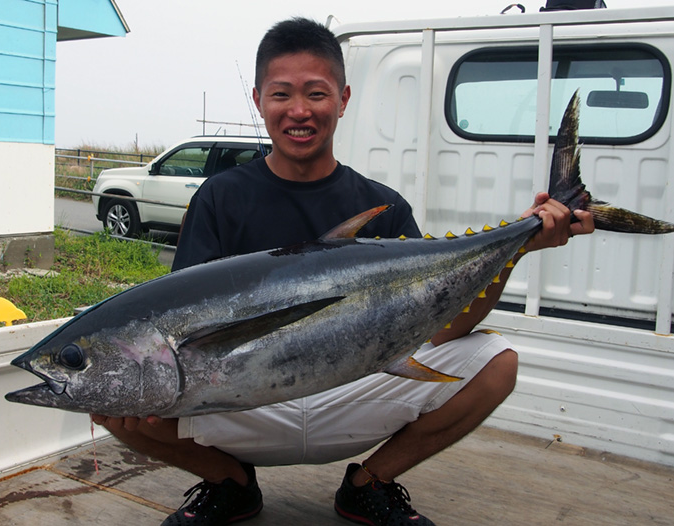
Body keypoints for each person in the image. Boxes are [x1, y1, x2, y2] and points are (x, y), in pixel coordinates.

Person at [93, 17, 594, 526]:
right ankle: (230, 484)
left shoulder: (383, 206)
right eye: (282, 94)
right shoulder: (220, 199)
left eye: (316, 93)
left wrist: (518, 249)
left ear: (343, 99)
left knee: (497, 361)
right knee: (114, 391)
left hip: (355, 390)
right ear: (259, 99)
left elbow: (444, 329)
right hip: (248, 401)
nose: (299, 110)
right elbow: (179, 329)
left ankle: (369, 484)